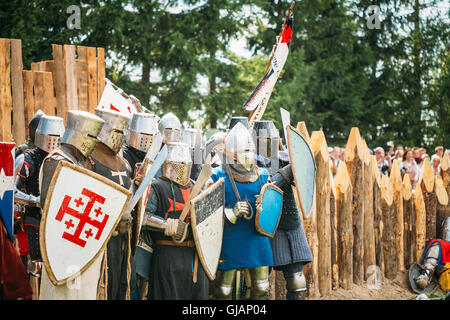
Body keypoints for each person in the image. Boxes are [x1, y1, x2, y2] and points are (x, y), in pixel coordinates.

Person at [38, 110, 105, 300]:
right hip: (61, 249)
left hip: (80, 247)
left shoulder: (84, 163)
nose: (94, 142)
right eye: (92, 136)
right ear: (80, 134)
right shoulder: (57, 161)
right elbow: (52, 206)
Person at [210, 122, 273, 300]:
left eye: (250, 150)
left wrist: (266, 208)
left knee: (262, 288)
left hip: (256, 237)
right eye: (244, 151)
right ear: (232, 154)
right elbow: (206, 213)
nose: (249, 155)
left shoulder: (263, 175)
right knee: (224, 291)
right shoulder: (217, 176)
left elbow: (274, 209)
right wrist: (232, 212)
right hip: (230, 237)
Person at [253, 120, 312, 300]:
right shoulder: (249, 161)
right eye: (264, 140)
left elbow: (305, 173)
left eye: (271, 138)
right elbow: (263, 185)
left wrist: (292, 169)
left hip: (289, 222)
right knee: (259, 286)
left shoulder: (286, 158)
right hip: (262, 226)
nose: (268, 143)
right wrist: (283, 175)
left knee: (298, 283)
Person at [143, 142, 210, 300]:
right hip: (168, 256)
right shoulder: (157, 187)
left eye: (184, 163)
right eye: (177, 163)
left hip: (195, 257)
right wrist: (165, 225)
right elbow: (143, 217)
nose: (181, 167)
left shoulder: (198, 188)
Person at [14, 115, 65, 296]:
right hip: (34, 219)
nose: (53, 141)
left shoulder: (64, 159)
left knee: (55, 269)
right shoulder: (28, 159)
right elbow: (12, 191)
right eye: (50, 137)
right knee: (36, 266)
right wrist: (36, 200)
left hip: (57, 220)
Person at [90, 108, 136, 300]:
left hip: (122, 241)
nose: (121, 136)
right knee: (101, 288)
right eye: (117, 131)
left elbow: (128, 198)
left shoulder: (125, 164)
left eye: (123, 131)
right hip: (97, 240)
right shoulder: (88, 159)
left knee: (120, 286)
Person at [121, 112, 159, 300]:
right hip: (125, 225)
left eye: (149, 138)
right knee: (128, 276)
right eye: (142, 136)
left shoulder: (155, 159)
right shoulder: (122, 156)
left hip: (146, 227)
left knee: (145, 277)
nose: (145, 141)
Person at [414, 218, 450, 299]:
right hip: (447, 273)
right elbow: (432, 259)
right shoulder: (441, 244)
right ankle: (426, 275)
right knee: (437, 245)